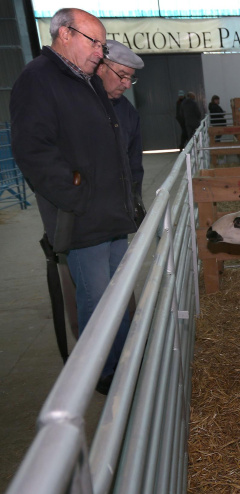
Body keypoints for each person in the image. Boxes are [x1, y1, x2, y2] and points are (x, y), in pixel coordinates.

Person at [10, 7, 138, 395]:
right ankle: (100, 373)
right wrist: (76, 195)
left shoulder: (85, 81)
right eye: (94, 41)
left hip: (112, 216)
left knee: (119, 297)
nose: (100, 51)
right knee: (97, 301)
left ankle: (125, 362)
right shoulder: (38, 80)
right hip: (82, 221)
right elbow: (33, 150)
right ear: (64, 34)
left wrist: (125, 198)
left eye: (101, 43)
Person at [96, 39, 146, 227]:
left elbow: (134, 163)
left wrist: (134, 199)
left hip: (117, 212)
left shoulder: (128, 113)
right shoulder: (77, 105)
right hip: (85, 216)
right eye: (122, 76)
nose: (127, 85)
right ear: (101, 68)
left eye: (130, 78)